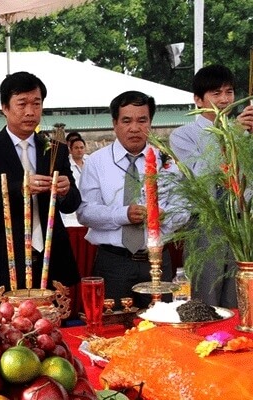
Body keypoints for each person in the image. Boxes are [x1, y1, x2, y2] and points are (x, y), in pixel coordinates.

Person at [0, 71, 81, 292]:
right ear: (5, 107)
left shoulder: (55, 150)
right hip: (4, 255)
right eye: (22, 104)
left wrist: (65, 191)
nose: (30, 112)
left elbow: (73, 203)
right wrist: (20, 189)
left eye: (36, 104)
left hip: (52, 255)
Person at [77, 91, 187, 309]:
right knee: (113, 330)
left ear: (151, 123)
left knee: (161, 328)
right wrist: (123, 214)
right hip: (114, 262)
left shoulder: (166, 161)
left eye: (142, 120)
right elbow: (85, 212)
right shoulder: (96, 162)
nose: (134, 128)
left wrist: (164, 216)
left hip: (157, 260)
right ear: (114, 123)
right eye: (126, 120)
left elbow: (183, 208)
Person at [169, 65, 253, 308]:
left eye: (229, 92)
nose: (225, 99)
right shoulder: (184, 135)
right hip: (206, 225)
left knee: (240, 299)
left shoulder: (246, 131)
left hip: (243, 225)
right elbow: (202, 174)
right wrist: (233, 135)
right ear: (198, 99)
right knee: (205, 300)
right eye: (216, 93)